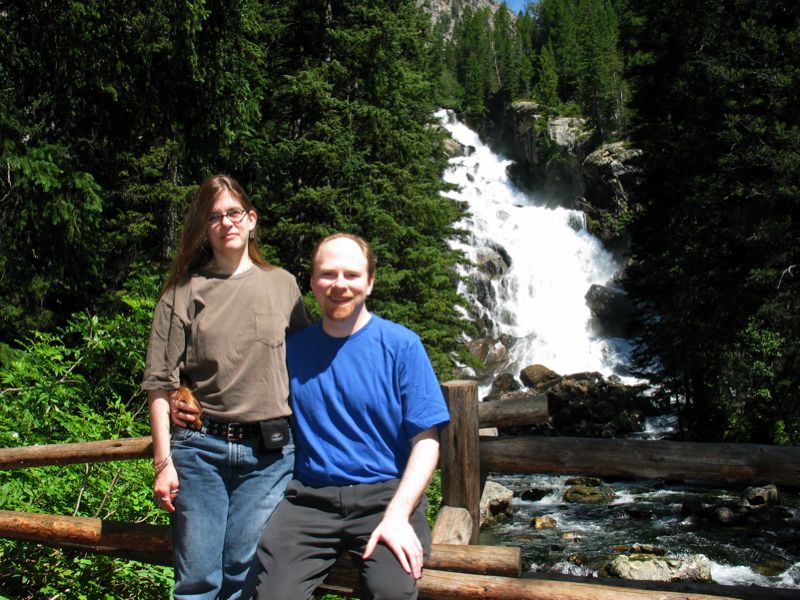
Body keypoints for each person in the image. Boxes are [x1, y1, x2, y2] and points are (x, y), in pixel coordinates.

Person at [248, 233, 450, 600]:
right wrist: (186, 395)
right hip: (308, 502)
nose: (339, 285)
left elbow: (426, 441)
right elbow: (241, 391)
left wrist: (398, 514)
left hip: (386, 498)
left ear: (370, 283)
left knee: (391, 593)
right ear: (312, 282)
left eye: (352, 275)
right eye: (328, 274)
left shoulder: (402, 346)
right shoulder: (291, 350)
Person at [142, 174, 309, 599]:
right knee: (197, 582)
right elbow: (159, 383)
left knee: (245, 575)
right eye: (214, 216)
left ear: (251, 219)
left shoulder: (284, 285)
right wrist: (164, 464)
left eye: (234, 213)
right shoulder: (183, 291)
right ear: (204, 227)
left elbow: (308, 367)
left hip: (269, 457)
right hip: (200, 453)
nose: (226, 223)